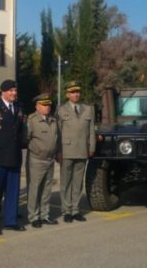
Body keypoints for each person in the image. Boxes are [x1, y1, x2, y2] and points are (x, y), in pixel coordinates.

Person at [0, 80, 26, 235]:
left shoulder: (19, 108)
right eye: (11, 91)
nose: (14, 93)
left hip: (14, 156)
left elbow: (21, 131)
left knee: (13, 191)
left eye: (15, 90)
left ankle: (11, 220)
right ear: (3, 92)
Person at [57, 81, 95, 223]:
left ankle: (75, 210)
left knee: (78, 182)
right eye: (73, 92)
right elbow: (58, 132)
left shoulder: (87, 109)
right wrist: (58, 151)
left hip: (82, 150)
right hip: (66, 150)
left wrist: (91, 147)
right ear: (67, 94)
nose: (76, 94)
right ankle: (66, 210)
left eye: (77, 92)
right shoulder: (61, 110)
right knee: (66, 182)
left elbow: (91, 130)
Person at [26, 93, 60, 228]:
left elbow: (56, 138)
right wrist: (36, 150)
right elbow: (26, 138)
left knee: (46, 189)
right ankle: (33, 216)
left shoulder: (53, 120)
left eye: (49, 105)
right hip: (36, 159)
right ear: (37, 106)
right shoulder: (32, 120)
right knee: (34, 189)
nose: (47, 107)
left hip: (50, 159)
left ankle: (44, 215)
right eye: (44, 105)